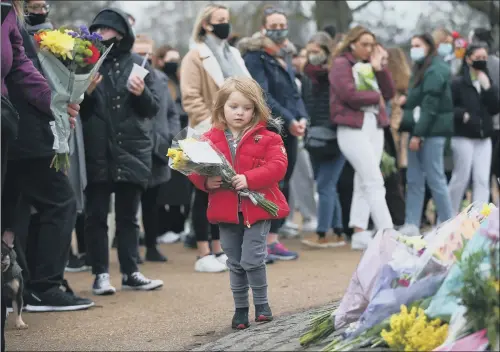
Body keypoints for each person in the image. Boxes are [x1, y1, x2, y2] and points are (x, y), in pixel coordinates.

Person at [2, 0, 94, 312]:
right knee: (56, 202)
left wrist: (55, 101)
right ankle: (44, 285)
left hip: (14, 129)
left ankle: (31, 285)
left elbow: (20, 66)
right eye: (34, 4)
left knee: (13, 211)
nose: (40, 8)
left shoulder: (9, 15)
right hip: (25, 136)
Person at [187, 77, 289, 330]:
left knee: (253, 258)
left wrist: (250, 178)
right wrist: (204, 182)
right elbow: (195, 170)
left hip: (257, 208)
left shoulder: (268, 137)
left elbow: (278, 167)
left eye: (247, 107)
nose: (240, 112)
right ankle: (240, 309)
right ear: (222, 107)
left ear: (256, 109)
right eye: (234, 106)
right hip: (225, 211)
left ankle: (262, 305)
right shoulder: (209, 138)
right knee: (234, 261)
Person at [81, 8, 163, 295]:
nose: (102, 35)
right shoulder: (84, 63)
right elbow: (76, 110)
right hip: (97, 149)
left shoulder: (139, 63)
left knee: (129, 217)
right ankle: (100, 274)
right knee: (96, 215)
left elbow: (152, 109)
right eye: (98, 29)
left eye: (108, 30)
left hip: (131, 149)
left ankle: (131, 272)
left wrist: (141, 93)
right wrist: (86, 92)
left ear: (121, 33)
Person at [180, 3, 251, 272]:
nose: (226, 24)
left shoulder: (233, 53)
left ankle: (219, 248)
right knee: (203, 189)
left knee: (224, 190)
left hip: (236, 131)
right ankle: (202, 252)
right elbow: (191, 98)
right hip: (207, 130)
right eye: (220, 20)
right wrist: (214, 125)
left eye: (227, 19)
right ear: (206, 24)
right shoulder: (194, 56)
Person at [239, 6, 309, 260]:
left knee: (284, 181)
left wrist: (301, 118)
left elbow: (293, 92)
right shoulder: (255, 56)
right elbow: (263, 95)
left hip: (289, 127)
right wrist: (288, 119)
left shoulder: (285, 55)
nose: (279, 30)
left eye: (282, 25)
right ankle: (258, 243)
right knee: (268, 182)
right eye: (274, 25)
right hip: (269, 127)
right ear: (263, 27)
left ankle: (273, 240)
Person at [329, 25, 395, 247]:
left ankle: (359, 232)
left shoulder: (371, 65)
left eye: (371, 45)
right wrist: (376, 96)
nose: (368, 49)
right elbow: (349, 95)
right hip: (351, 127)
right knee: (374, 179)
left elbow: (390, 93)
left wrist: (380, 68)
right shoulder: (341, 64)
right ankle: (388, 233)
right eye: (364, 44)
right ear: (352, 43)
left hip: (374, 125)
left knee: (364, 180)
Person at [398, 33, 454, 236]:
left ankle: (448, 222)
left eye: (418, 45)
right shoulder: (421, 68)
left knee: (435, 178)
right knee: (413, 179)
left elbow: (430, 106)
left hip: (430, 132)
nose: (414, 48)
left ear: (429, 46)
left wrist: (418, 135)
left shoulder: (436, 69)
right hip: (419, 130)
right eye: (412, 45)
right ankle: (411, 223)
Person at [133, 34, 181, 262]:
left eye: (147, 54)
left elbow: (172, 112)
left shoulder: (162, 80)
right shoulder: (126, 79)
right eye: (139, 53)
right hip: (133, 149)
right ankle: (131, 250)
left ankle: (152, 246)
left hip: (157, 148)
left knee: (152, 202)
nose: (144, 58)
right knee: (130, 205)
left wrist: (169, 135)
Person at [300, 32, 346, 248]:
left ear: (327, 51)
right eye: (309, 52)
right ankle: (337, 230)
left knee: (325, 186)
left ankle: (322, 233)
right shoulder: (307, 75)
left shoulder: (336, 74)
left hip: (334, 136)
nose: (312, 56)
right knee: (327, 185)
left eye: (316, 52)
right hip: (314, 137)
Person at [448, 44, 499, 214]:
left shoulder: (487, 81)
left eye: (485, 58)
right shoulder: (458, 82)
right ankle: (449, 214)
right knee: (461, 178)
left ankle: (479, 219)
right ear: (468, 59)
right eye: (478, 58)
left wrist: (489, 89)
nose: (482, 61)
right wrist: (462, 114)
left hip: (484, 137)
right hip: (464, 136)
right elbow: (448, 107)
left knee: (482, 179)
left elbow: (495, 108)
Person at [152, 45, 193, 245]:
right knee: (164, 185)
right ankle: (162, 227)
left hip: (183, 137)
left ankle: (178, 225)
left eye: (177, 58)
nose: (175, 62)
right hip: (166, 138)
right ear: (159, 60)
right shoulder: (159, 80)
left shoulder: (180, 80)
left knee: (181, 184)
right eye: (170, 58)